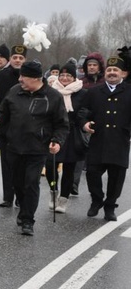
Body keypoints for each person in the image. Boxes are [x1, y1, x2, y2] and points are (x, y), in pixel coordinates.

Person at [0, 61, 69, 235]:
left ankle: (28, 220)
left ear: (36, 78)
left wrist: (57, 141)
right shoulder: (14, 91)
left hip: (37, 149)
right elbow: (2, 113)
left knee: (31, 183)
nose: (20, 79)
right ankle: (23, 210)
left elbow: (62, 125)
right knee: (18, 184)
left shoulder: (53, 97)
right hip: (13, 147)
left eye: (24, 76)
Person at [80, 54, 131, 221]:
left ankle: (110, 206)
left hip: (120, 141)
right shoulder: (94, 92)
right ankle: (96, 200)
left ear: (123, 73)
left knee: (116, 177)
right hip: (98, 140)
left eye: (115, 70)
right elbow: (83, 112)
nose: (112, 73)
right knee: (92, 173)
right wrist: (85, 123)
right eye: (109, 70)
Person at [44, 61, 87, 214]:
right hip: (53, 132)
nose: (65, 78)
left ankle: (63, 198)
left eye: (69, 75)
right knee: (50, 166)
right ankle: (53, 190)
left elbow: (84, 111)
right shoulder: (51, 90)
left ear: (74, 77)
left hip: (72, 133)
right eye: (62, 75)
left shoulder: (82, 93)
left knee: (69, 168)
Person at [0, 44, 27, 208]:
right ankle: (8, 196)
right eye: (15, 57)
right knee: (6, 163)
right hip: (5, 127)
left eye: (21, 58)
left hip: (24, 129)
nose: (17, 60)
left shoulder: (29, 76)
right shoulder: (1, 76)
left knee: (20, 165)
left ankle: (21, 196)